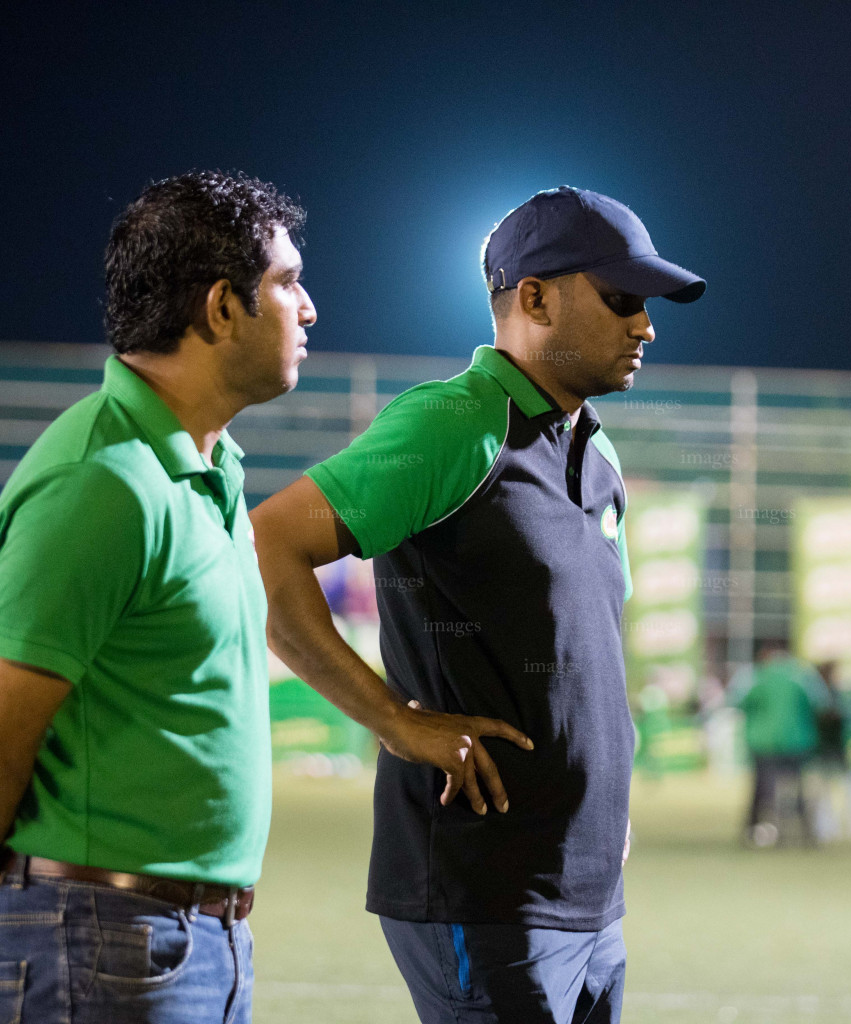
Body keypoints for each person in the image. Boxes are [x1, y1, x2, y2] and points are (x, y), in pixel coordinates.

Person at [0, 170, 514, 1024]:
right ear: (223, 308)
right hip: (97, 936)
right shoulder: (104, 481)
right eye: (287, 283)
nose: (309, 308)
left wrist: (395, 720)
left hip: (181, 941)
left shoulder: (208, 472)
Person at [250, 185, 704, 1024]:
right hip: (488, 889)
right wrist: (396, 721)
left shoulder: (594, 453)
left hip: (588, 897)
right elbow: (268, 546)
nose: (645, 324)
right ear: (534, 297)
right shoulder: (457, 422)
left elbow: (586, 657)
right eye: (621, 299)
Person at [729, 641, 821, 847]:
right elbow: (819, 703)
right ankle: (804, 833)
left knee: (762, 790)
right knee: (797, 788)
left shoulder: (758, 677)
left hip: (764, 742)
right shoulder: (802, 676)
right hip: (797, 741)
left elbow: (740, 703)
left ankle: (755, 831)